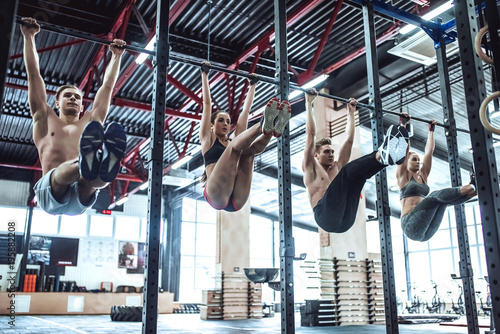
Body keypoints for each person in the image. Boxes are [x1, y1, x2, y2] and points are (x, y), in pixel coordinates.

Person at [21, 17, 127, 215]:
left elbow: (107, 87)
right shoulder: (44, 118)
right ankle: (90, 161)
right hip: (51, 193)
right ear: (57, 103)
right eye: (67, 96)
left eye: (77, 97)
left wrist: (117, 56)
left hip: (79, 198)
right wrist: (29, 37)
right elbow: (33, 75)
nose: (73, 99)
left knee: (93, 181)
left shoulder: (90, 122)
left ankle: (105, 164)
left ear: (81, 106)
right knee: (68, 172)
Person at [303, 89, 409, 233]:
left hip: (346, 220)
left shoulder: (336, 167)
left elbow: (349, 140)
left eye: (332, 151)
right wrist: (309, 103)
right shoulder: (311, 168)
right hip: (325, 217)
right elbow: (311, 134)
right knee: (347, 172)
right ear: (316, 155)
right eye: (326, 151)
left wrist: (351, 113)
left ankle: (385, 159)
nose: (331, 154)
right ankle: (381, 156)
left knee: (359, 176)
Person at [199, 61, 290, 212]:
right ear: (211, 125)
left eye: (228, 121)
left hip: (237, 199)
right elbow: (206, 104)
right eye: (220, 120)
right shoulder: (207, 139)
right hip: (216, 195)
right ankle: (263, 127)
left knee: (248, 154)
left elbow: (245, 112)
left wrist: (252, 85)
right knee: (235, 148)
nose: (225, 124)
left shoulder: (233, 140)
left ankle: (270, 129)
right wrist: (204, 74)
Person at [396, 114, 477, 242]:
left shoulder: (423, 175)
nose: (418, 162)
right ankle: (471, 186)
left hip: (426, 232)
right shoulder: (403, 177)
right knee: (434, 196)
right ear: (406, 161)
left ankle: (474, 192)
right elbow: (404, 150)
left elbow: (429, 152)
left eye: (418, 160)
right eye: (414, 159)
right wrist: (403, 125)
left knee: (443, 201)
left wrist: (431, 131)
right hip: (410, 225)